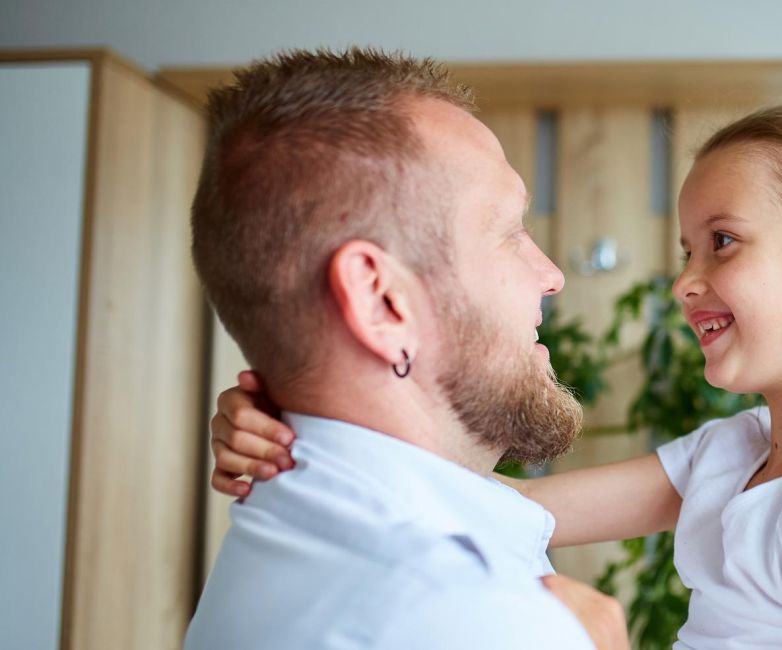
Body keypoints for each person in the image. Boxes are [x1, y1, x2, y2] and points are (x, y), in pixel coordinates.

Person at [214, 101, 782, 649]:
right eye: (688, 249)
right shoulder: (733, 454)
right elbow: (512, 507)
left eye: (722, 242)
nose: (685, 281)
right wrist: (304, 426)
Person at [183, 47, 626, 650]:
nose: (551, 275)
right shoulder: (466, 619)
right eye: (509, 233)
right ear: (381, 302)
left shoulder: (298, 526)